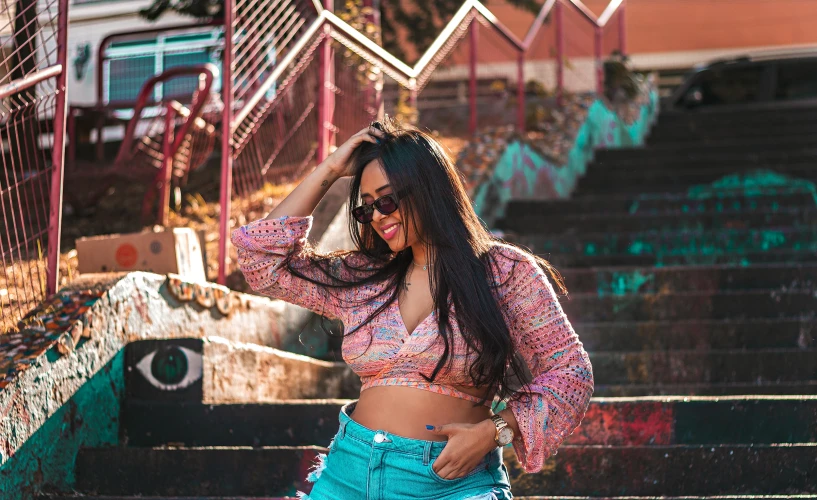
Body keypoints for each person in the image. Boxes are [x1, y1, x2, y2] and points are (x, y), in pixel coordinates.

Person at [230, 117, 594, 500]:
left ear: (429, 189)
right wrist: (332, 168)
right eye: (366, 208)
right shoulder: (365, 277)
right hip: (348, 473)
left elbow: (571, 372)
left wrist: (494, 432)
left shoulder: (504, 272)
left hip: (451, 484)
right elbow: (261, 261)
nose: (378, 216)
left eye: (387, 200)